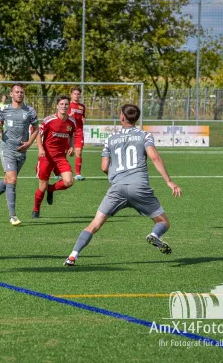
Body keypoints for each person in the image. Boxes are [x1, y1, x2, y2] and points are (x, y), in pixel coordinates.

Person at [63, 104, 182, 266]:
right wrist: (169, 181)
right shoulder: (145, 135)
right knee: (163, 223)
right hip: (139, 187)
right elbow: (154, 157)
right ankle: (155, 235)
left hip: (117, 188)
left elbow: (104, 167)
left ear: (122, 117)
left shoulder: (111, 139)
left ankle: (73, 255)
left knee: (95, 224)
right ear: (136, 118)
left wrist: (115, 177)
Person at [0, 84, 38, 226]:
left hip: (22, 150)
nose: (20, 94)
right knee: (13, 180)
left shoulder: (30, 111)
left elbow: (36, 129)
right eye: (17, 92)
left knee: (8, 180)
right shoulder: (4, 109)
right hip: (7, 148)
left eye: (22, 92)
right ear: (11, 94)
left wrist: (29, 143)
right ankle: (13, 216)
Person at [32, 95, 76, 219]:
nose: (64, 106)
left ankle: (51, 189)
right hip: (46, 156)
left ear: (69, 106)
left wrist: (71, 147)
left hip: (61, 157)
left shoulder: (71, 122)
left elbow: (71, 135)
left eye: (66, 104)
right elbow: (38, 135)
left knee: (69, 182)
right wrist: (40, 149)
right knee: (42, 186)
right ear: (57, 106)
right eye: (61, 104)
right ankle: (36, 209)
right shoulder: (49, 120)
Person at [69, 87, 86, 180]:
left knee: (78, 152)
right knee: (63, 152)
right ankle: (57, 172)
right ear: (71, 95)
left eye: (78, 94)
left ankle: (78, 174)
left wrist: (83, 119)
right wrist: (69, 116)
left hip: (79, 132)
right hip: (68, 132)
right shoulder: (67, 105)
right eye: (74, 93)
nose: (76, 95)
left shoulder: (82, 107)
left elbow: (83, 117)